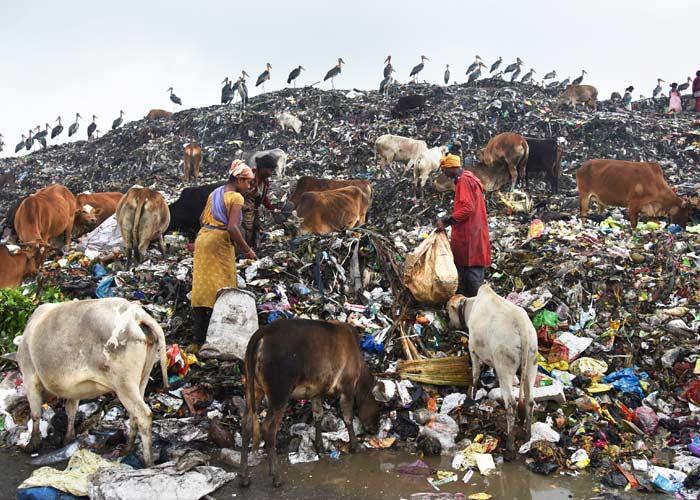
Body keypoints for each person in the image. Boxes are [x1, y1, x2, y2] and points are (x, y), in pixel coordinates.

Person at [191, 160, 258, 343]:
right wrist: (247, 251)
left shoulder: (215, 193)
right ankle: (217, 335)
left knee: (201, 287)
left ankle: (197, 338)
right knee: (223, 287)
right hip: (219, 244)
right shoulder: (236, 198)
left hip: (203, 239)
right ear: (238, 180)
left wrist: (209, 231)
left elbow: (200, 218)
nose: (250, 185)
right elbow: (233, 228)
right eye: (248, 182)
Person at [435, 156, 492, 297]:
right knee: (468, 267)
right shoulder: (469, 178)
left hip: (470, 233)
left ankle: (473, 305)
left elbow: (467, 208)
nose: (444, 174)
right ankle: (469, 303)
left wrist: (447, 220)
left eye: (444, 170)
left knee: (472, 271)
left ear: (451, 168)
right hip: (474, 230)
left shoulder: (464, 181)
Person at [242, 155, 277, 248]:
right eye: (270, 170)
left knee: (256, 229)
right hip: (244, 208)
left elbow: (263, 196)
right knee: (247, 229)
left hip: (253, 209)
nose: (271, 173)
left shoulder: (265, 181)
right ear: (262, 168)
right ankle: (243, 249)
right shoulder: (250, 176)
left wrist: (271, 208)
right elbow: (242, 193)